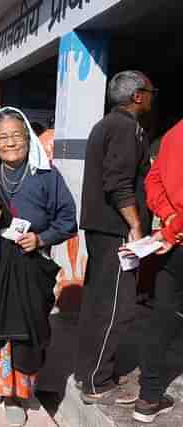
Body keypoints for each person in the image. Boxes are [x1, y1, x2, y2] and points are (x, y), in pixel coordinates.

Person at [0, 107, 76, 426]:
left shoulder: (47, 176)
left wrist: (41, 238)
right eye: (3, 137)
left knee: (24, 333)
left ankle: (14, 394)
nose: (10, 142)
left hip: (28, 265)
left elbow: (68, 221)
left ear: (28, 138)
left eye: (16, 136)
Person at [75, 71, 155, 405]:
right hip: (116, 232)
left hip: (105, 230)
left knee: (98, 304)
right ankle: (99, 381)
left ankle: (89, 374)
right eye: (150, 91)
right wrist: (136, 226)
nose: (153, 96)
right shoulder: (124, 128)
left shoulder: (108, 124)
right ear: (138, 95)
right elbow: (118, 182)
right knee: (115, 307)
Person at [133, 119, 183, 423]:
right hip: (173, 236)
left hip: (173, 241)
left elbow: (153, 180)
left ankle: (148, 399)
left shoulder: (176, 131)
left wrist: (168, 219)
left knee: (162, 318)